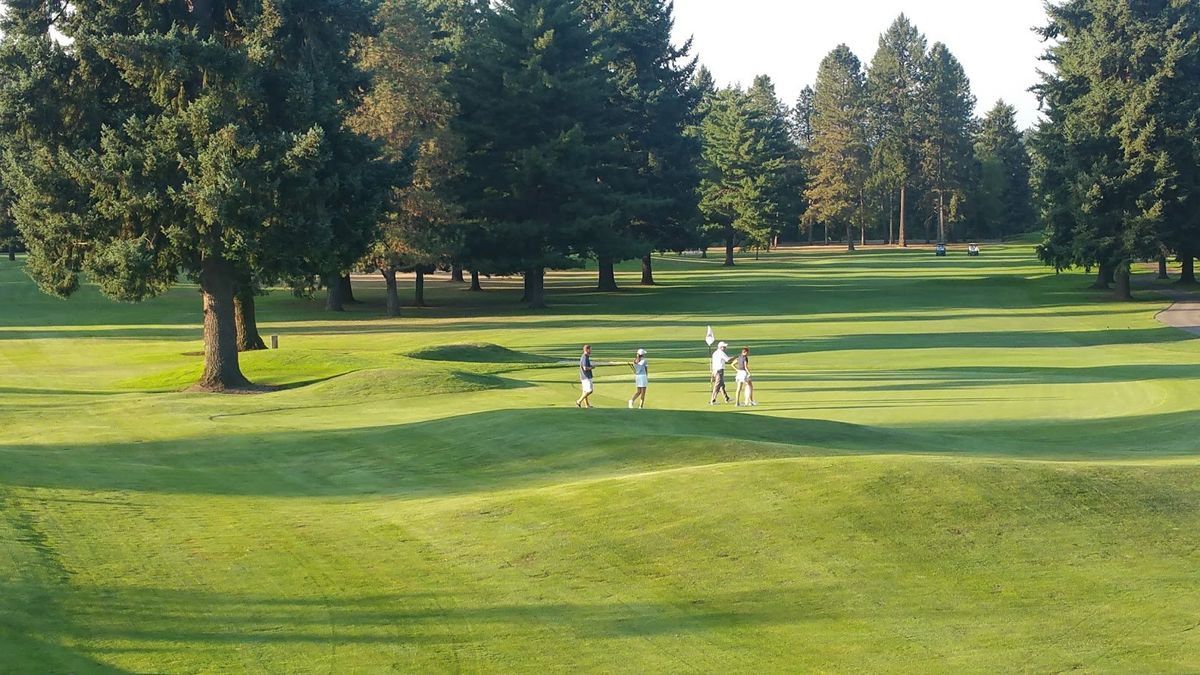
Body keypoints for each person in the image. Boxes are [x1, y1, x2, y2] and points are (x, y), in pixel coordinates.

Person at [710, 341, 733, 405]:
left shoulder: (715, 353)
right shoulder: (721, 353)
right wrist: (735, 358)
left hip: (715, 370)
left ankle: (726, 398)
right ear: (720, 347)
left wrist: (712, 373)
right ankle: (713, 400)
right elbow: (728, 360)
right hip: (719, 371)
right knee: (717, 386)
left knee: (721, 386)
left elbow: (713, 364)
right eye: (724, 347)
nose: (725, 348)